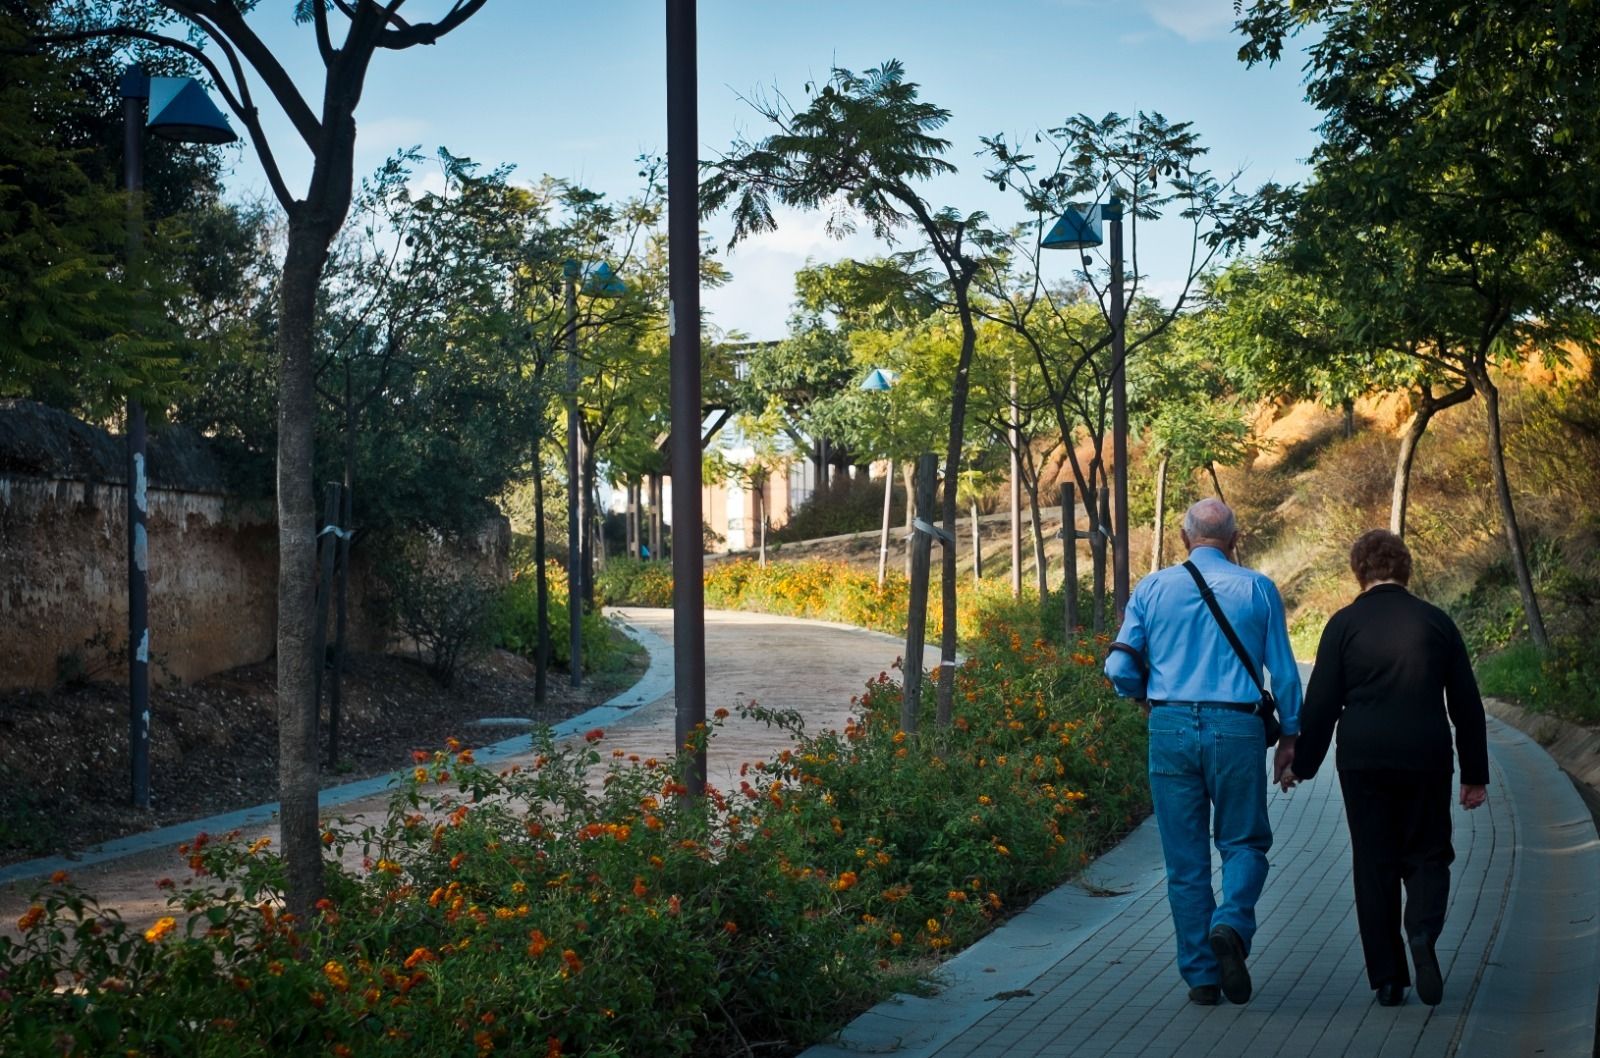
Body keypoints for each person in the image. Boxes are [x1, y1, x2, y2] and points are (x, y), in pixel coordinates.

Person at [1106, 498, 1302, 1006]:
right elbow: (1283, 672)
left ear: (1182, 537)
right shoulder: (1257, 587)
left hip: (1169, 726)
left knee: (1185, 861)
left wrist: (1145, 697)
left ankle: (1201, 978)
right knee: (1244, 843)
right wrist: (1290, 736)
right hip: (1236, 727)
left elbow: (1118, 668)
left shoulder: (1152, 588)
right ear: (1235, 539)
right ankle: (1231, 926)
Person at [1280, 529, 1488, 1007]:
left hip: (1364, 758)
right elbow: (1466, 703)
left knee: (1373, 864)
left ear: (1359, 571)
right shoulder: (1436, 622)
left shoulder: (1344, 624)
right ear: (1405, 569)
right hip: (1426, 755)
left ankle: (1388, 980)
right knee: (1429, 852)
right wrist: (1474, 773)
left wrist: (1302, 765)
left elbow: (1322, 705)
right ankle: (1422, 931)